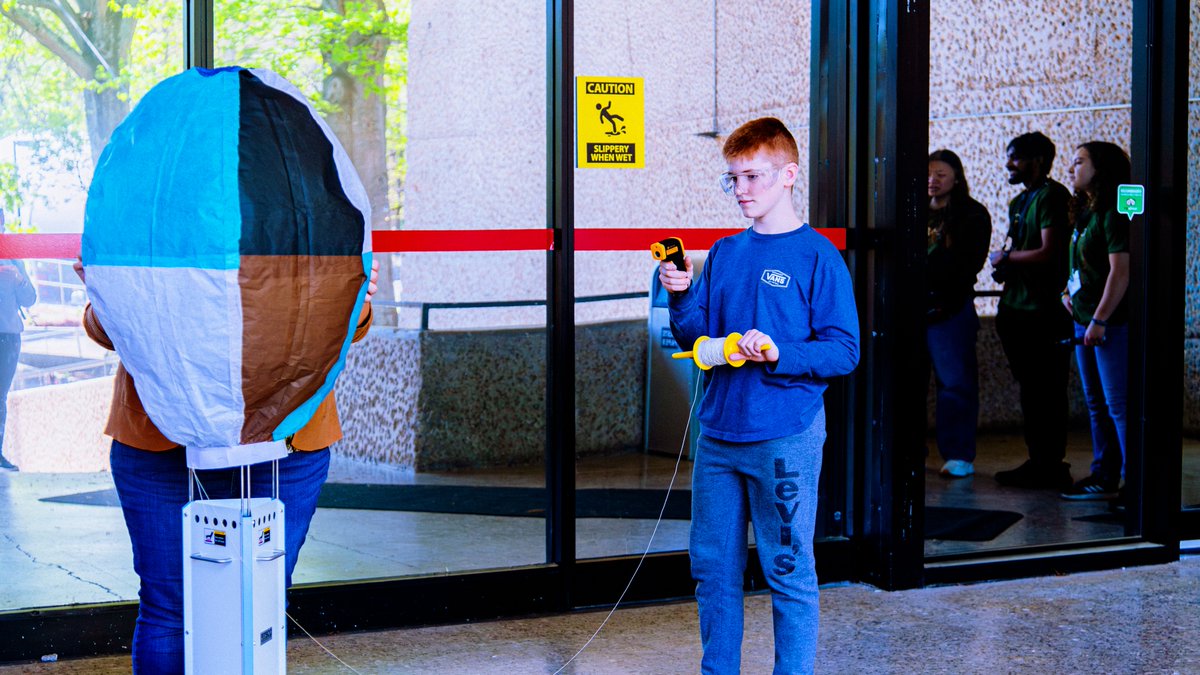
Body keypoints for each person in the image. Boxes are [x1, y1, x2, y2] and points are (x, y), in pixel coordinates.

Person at [75, 256, 377, 674]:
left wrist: (353, 297)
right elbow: (103, 329)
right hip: (162, 442)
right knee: (173, 609)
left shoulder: (304, 199)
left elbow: (350, 327)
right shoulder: (151, 202)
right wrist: (109, 293)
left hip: (285, 439)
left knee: (259, 602)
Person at [659, 117, 859, 674]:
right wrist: (681, 295)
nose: (741, 190)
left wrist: (780, 352)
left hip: (784, 437)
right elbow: (696, 335)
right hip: (719, 436)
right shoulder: (724, 252)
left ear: (789, 174)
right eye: (733, 179)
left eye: (753, 176)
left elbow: (844, 350)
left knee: (789, 569)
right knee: (713, 569)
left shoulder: (818, 257)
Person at [988, 132, 1074, 490]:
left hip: (1043, 311)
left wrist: (1006, 258)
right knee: (1031, 392)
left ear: (1038, 159)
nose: (1009, 164)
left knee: (1047, 391)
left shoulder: (1053, 197)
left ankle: (1051, 464)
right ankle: (1038, 460)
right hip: (1016, 309)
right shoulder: (1020, 201)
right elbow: (1023, 248)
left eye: (1016, 158)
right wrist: (1006, 264)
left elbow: (1049, 251)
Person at [1059, 142, 1131, 501]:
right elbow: (1079, 267)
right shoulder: (1085, 211)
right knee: (1096, 401)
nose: (1071, 169)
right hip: (1084, 320)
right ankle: (1104, 473)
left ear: (1100, 168)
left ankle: (1136, 481)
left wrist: (1100, 319)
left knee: (1119, 404)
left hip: (1109, 324)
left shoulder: (1114, 212)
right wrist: (1066, 295)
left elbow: (1120, 273)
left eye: (1079, 162)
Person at [924, 150, 992, 478]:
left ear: (956, 178)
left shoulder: (971, 214)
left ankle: (959, 454)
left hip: (949, 309)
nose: (932, 180)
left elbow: (967, 265)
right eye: (928, 174)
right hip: (913, 310)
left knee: (955, 384)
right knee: (908, 384)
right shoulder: (913, 210)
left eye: (940, 174)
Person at [0, 211, 35, 472]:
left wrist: (19, 279)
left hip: (8, 336)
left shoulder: (12, 256)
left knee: (0, 396)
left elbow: (30, 298)